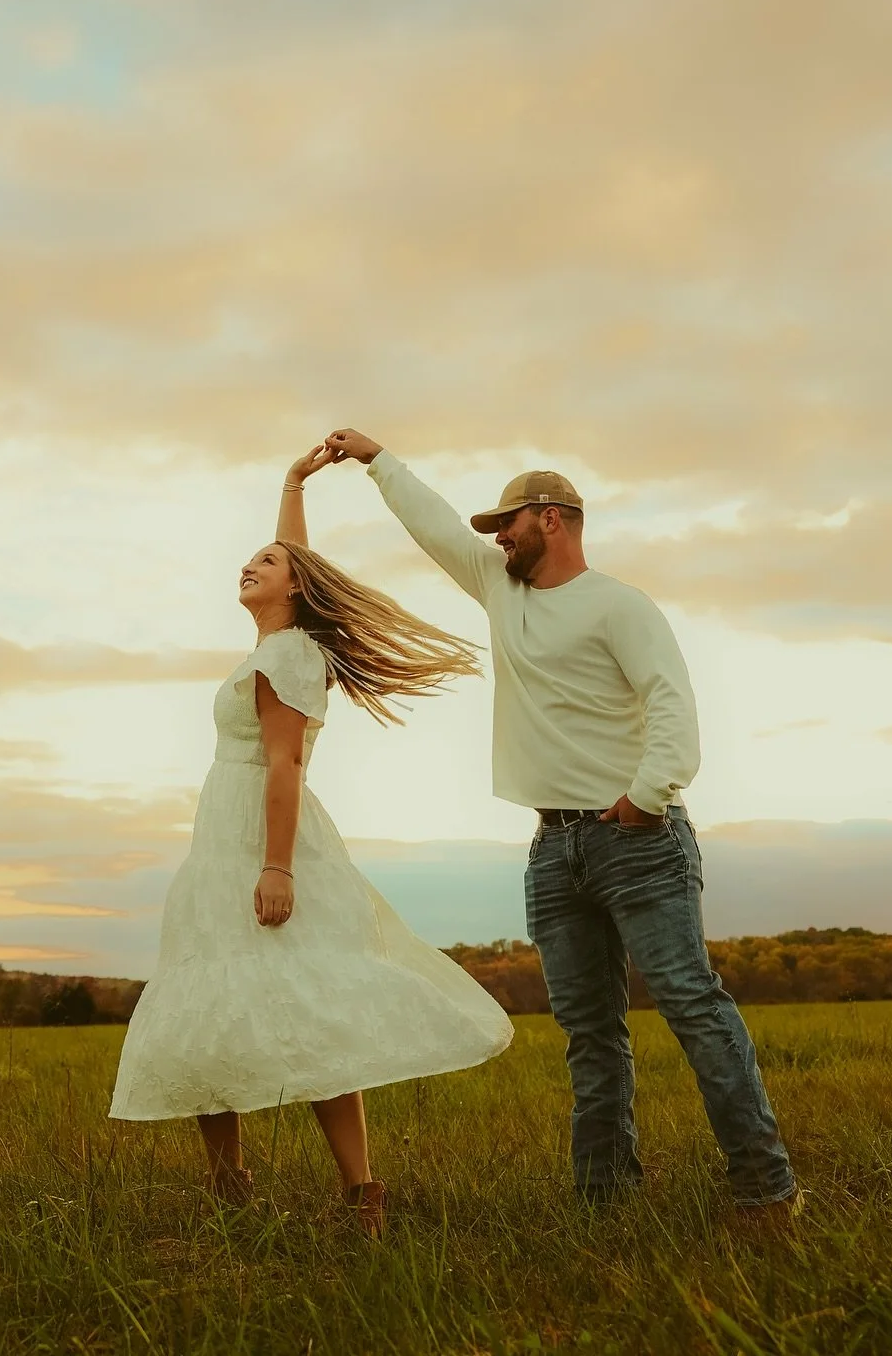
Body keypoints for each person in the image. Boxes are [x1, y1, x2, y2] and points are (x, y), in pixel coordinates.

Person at [324, 429, 798, 1217]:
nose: (496, 537)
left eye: (508, 522)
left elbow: (672, 705)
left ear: (552, 518)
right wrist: (379, 462)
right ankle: (606, 1199)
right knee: (590, 1034)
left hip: (640, 842)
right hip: (554, 849)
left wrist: (647, 796)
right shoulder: (501, 590)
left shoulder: (619, 604)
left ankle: (765, 1189)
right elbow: (436, 525)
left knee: (691, 1004)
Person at [109, 444, 513, 1237]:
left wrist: (275, 868)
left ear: (294, 584)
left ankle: (363, 1194)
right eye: (248, 559)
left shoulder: (290, 655)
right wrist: (293, 484)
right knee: (209, 1004)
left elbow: (285, 764)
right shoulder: (274, 646)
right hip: (222, 840)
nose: (249, 566)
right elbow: (294, 562)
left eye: (265, 560)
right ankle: (229, 1187)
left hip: (262, 840)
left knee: (312, 1008)